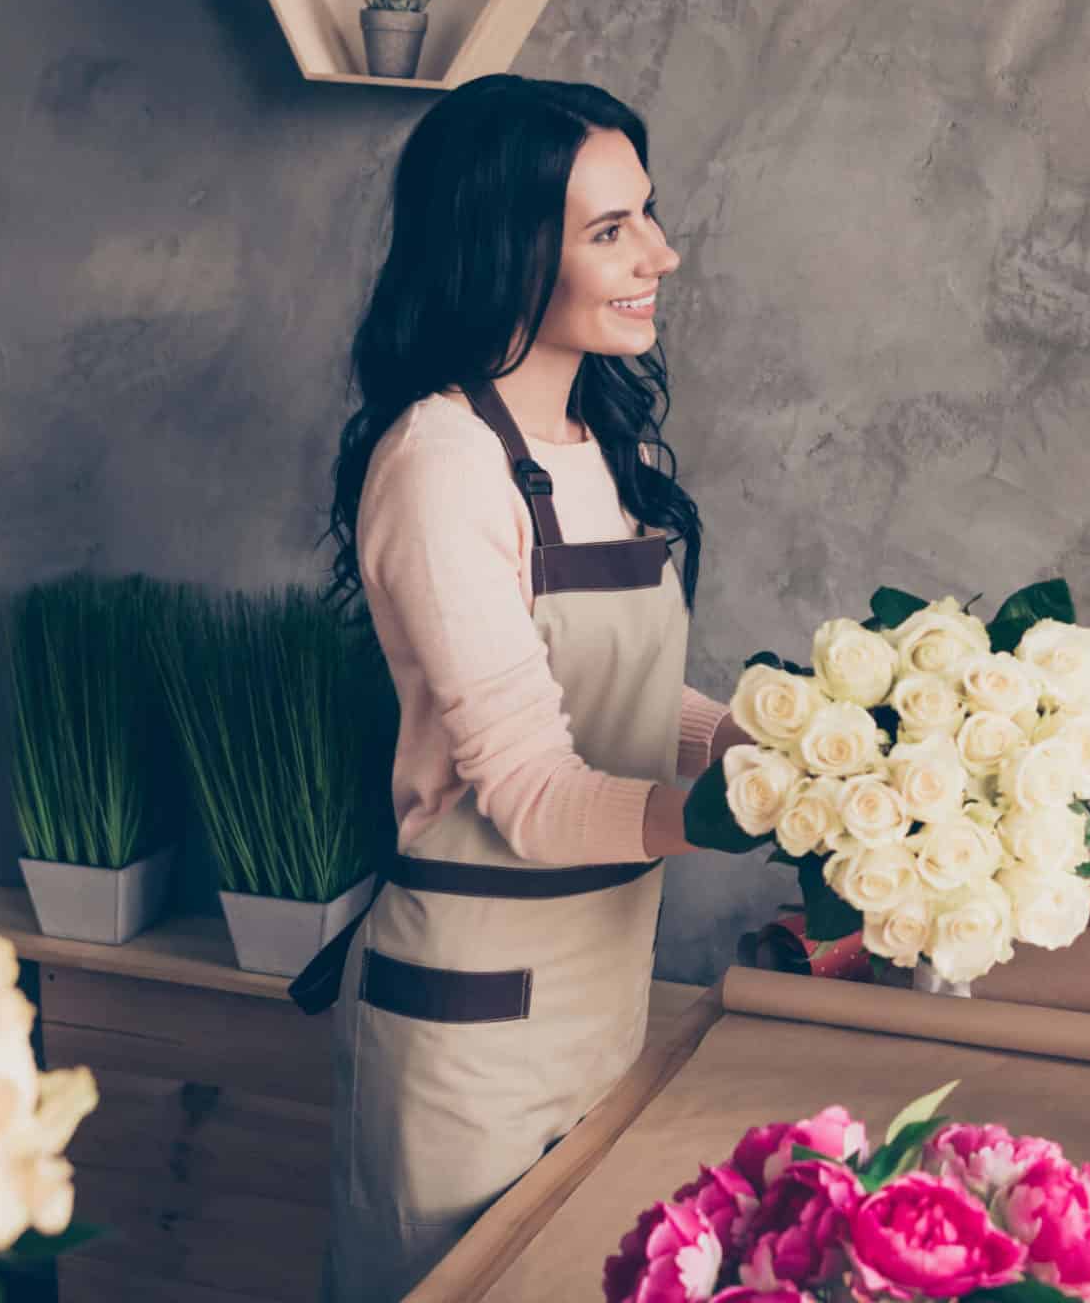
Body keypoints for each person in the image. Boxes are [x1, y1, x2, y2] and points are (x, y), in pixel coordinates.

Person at [312, 74, 746, 1301]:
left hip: (600, 996)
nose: (659, 253)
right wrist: (727, 809)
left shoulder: (590, 449)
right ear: (503, 251)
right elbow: (528, 785)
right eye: (611, 232)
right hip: (469, 1032)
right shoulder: (440, 461)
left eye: (646, 216)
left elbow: (611, 694)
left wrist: (764, 737)